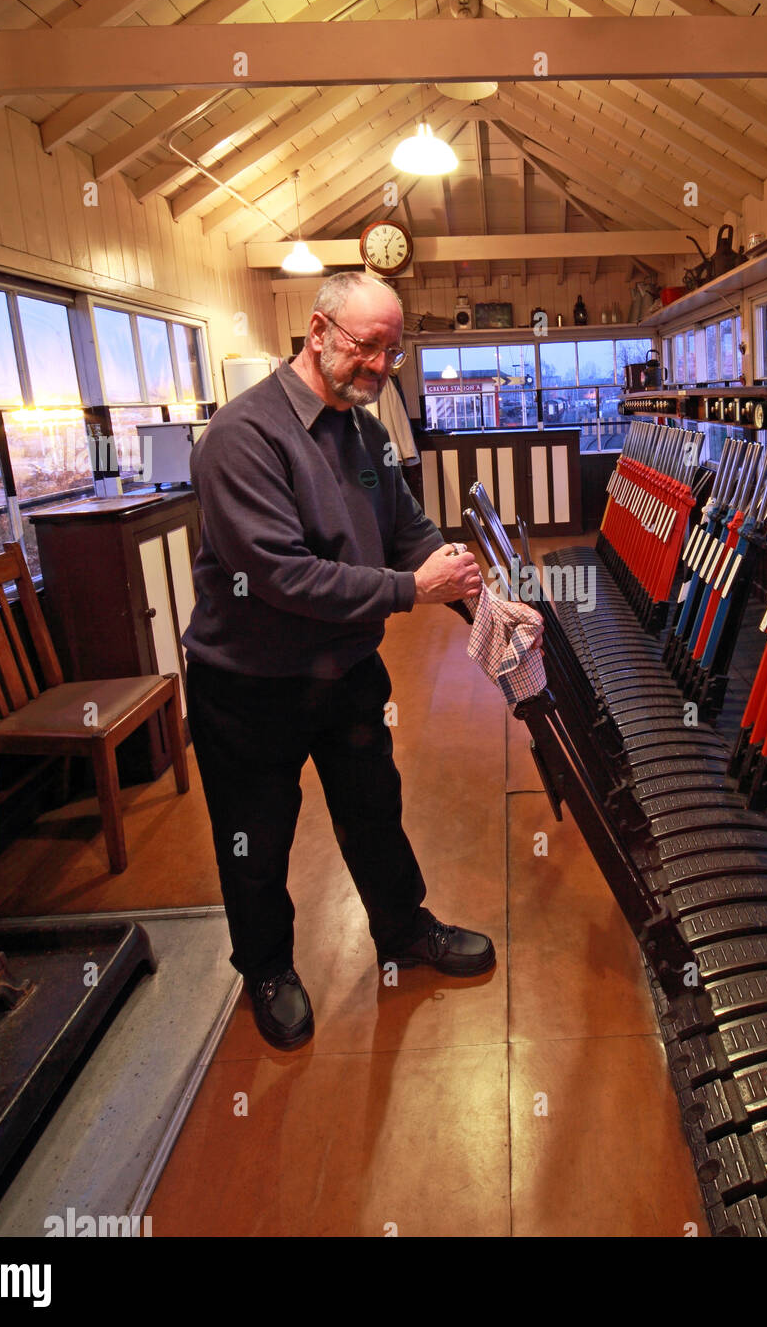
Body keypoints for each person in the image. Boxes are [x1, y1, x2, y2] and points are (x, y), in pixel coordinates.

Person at [183, 271, 491, 1051]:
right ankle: (266, 968)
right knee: (256, 839)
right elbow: (280, 575)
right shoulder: (241, 437)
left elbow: (408, 531)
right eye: (366, 347)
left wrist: (475, 595)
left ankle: (401, 929)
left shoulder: (364, 432)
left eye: (393, 351)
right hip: (249, 684)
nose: (380, 366)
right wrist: (409, 591)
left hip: (345, 670)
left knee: (373, 808)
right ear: (317, 332)